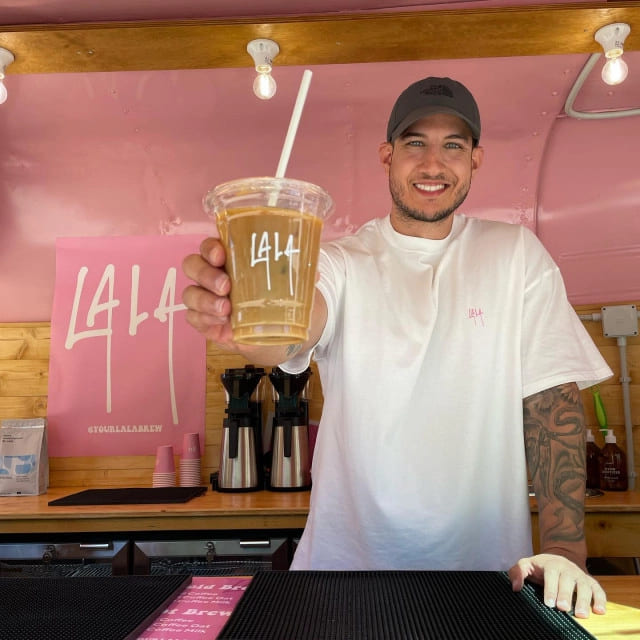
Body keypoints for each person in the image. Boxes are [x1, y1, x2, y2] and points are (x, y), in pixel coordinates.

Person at [182, 76, 613, 618]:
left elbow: (552, 408)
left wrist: (563, 554)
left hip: (489, 580)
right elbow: (291, 334)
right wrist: (242, 321)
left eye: (453, 145)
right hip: (345, 577)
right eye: (416, 143)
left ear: (475, 159)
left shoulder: (516, 257)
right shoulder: (340, 262)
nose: (434, 163)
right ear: (387, 155)